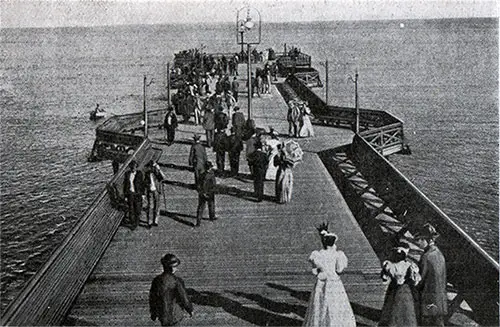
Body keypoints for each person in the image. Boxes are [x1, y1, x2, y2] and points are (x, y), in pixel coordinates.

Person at [303, 223, 356, 327]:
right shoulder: (338, 254)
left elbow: (315, 269)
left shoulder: (318, 255)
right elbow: (339, 269)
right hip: (334, 281)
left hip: (322, 281)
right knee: (336, 303)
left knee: (320, 303)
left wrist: (319, 271)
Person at [379, 243, 421, 326]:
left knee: (391, 310)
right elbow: (416, 280)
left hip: (393, 289)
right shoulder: (409, 265)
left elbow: (384, 279)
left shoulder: (389, 265)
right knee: (407, 313)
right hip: (406, 291)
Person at [414, 223, 447, 327]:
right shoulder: (439, 254)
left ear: (426, 240)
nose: (418, 243)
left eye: (420, 240)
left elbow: (421, 278)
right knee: (438, 322)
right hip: (440, 297)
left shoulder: (426, 256)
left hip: (428, 297)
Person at [149, 253, 193, 326]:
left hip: (163, 315)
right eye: (175, 266)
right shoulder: (177, 280)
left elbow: (153, 299)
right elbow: (184, 297)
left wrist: (153, 313)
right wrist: (190, 309)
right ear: (172, 268)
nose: (176, 268)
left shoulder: (156, 280)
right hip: (175, 316)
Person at [123, 160, 145, 230]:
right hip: (130, 194)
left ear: (136, 167)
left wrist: (143, 194)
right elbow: (125, 185)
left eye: (134, 168)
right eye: (132, 168)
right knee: (131, 209)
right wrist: (125, 196)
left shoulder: (139, 174)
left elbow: (142, 184)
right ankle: (133, 224)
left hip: (138, 194)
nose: (133, 169)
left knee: (138, 210)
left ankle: (136, 221)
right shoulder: (127, 174)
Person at [144, 160, 166, 228]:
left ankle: (155, 220)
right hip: (150, 191)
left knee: (157, 205)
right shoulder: (147, 174)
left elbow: (164, 177)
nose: (151, 168)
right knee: (150, 206)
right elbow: (144, 182)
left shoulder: (157, 173)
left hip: (157, 190)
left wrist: (159, 169)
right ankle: (149, 222)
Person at [196, 161, 216, 226]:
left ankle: (198, 221)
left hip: (202, 193)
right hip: (210, 192)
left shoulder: (201, 174)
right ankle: (212, 217)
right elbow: (214, 184)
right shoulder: (211, 175)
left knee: (201, 207)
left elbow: (198, 185)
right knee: (211, 205)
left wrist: (201, 192)